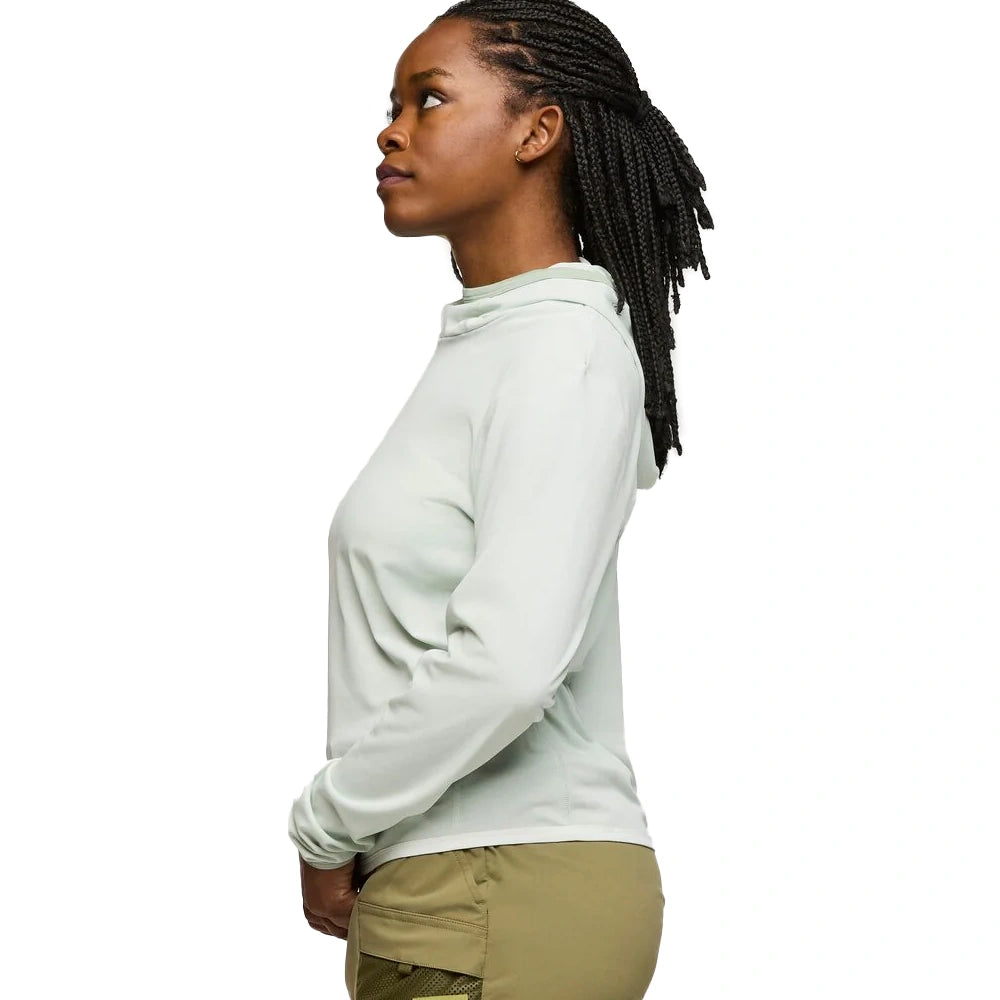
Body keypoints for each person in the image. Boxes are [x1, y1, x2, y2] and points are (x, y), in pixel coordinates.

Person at [288, 2, 713, 997]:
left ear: (537, 130)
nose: (391, 132)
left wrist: (327, 820)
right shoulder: (508, 342)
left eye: (429, 101)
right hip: (467, 881)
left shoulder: (560, 349)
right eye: (391, 106)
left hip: (497, 879)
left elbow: (509, 660)